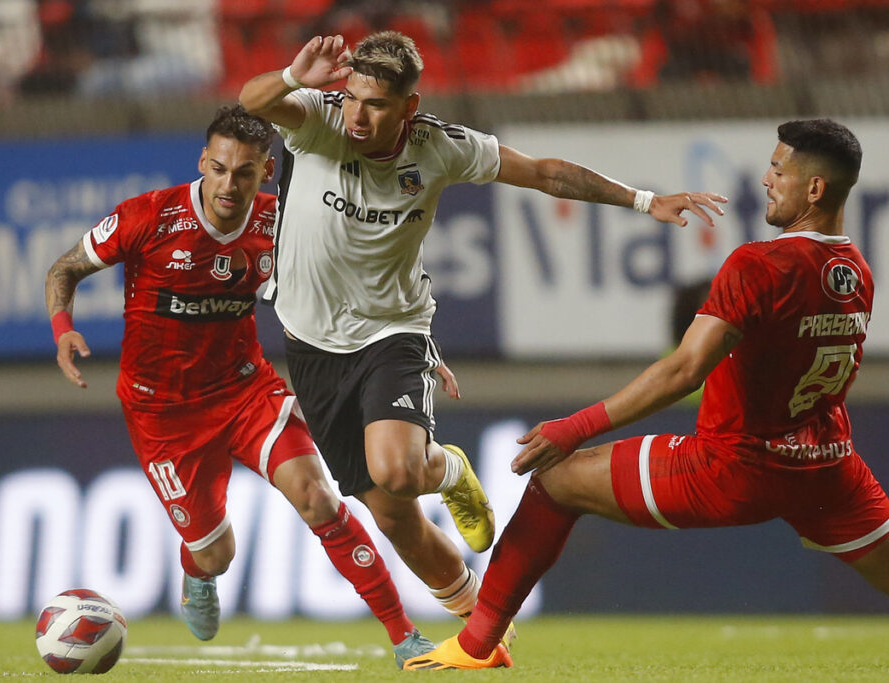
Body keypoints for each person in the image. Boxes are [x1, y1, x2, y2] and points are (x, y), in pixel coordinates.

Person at [238, 30, 727, 634]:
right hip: (310, 342)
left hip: (392, 331)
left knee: (395, 471)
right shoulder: (318, 117)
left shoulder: (440, 147)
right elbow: (254, 102)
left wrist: (642, 199)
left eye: (377, 104)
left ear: (408, 108)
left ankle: (441, 470)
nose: (359, 116)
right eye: (354, 97)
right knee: (393, 517)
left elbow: (545, 173)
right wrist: (293, 76)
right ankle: (476, 613)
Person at [403, 119, 889, 670]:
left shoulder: (758, 264)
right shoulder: (856, 270)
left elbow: (683, 370)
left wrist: (574, 427)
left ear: (815, 189)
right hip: (827, 468)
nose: (766, 179)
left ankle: (476, 646)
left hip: (734, 467)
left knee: (557, 481)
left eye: (779, 170)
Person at [44, 105, 436, 669]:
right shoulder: (148, 217)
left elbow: (366, 282)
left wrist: (418, 349)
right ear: (203, 162)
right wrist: (63, 330)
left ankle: (405, 640)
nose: (230, 184)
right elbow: (64, 268)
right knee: (217, 554)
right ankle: (197, 567)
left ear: (267, 173)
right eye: (220, 169)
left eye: (245, 173)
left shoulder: (283, 224)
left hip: (246, 392)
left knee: (319, 498)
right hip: (163, 414)